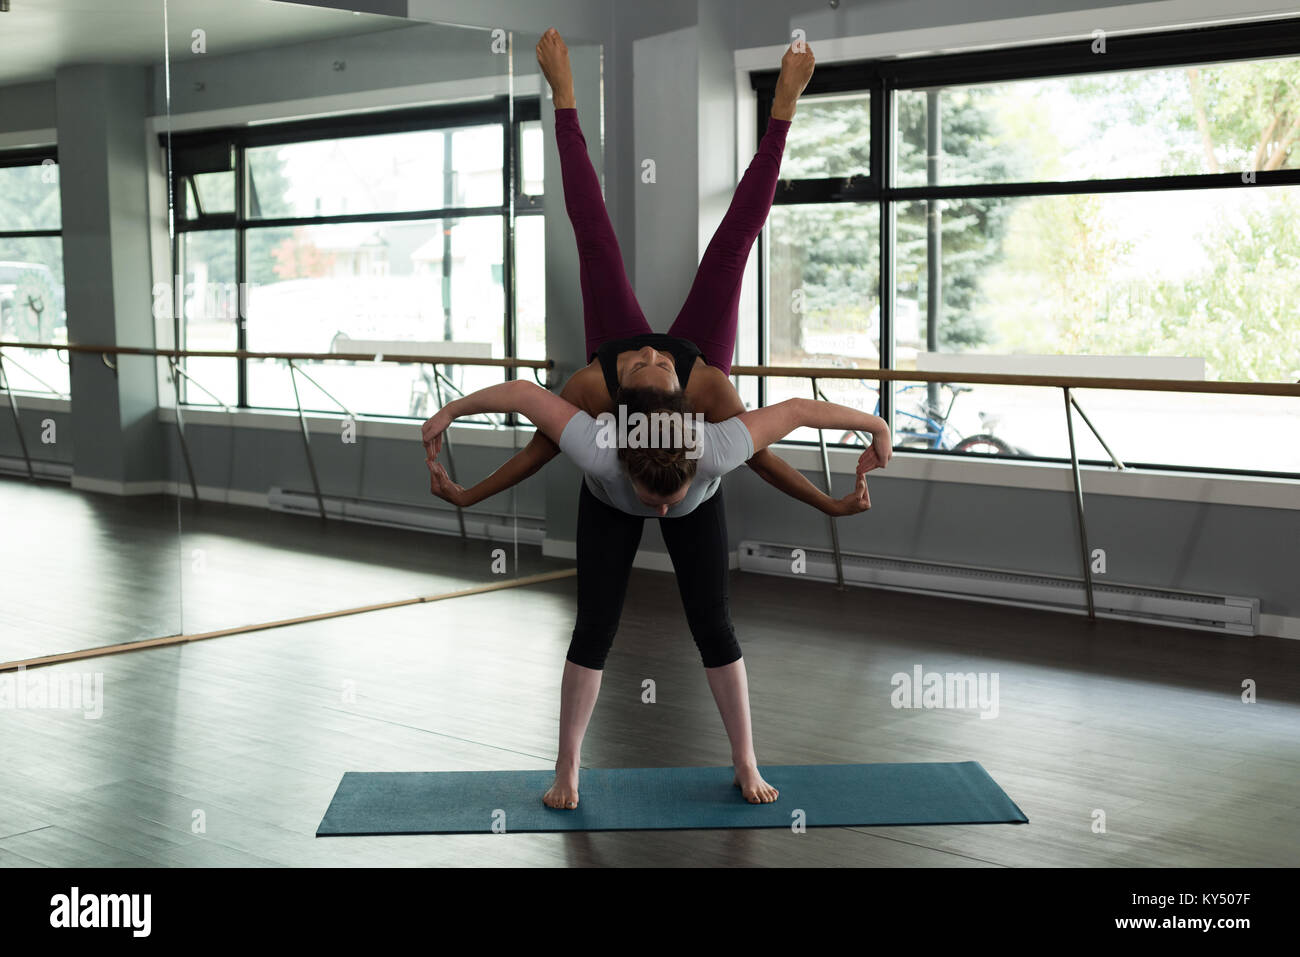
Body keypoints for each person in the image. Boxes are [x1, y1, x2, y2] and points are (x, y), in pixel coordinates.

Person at [422, 29, 892, 809]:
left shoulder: (668, 399)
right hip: (634, 482)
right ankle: (567, 766)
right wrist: (843, 476)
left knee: (714, 623)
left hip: (661, 453)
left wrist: (837, 491)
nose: (649, 354)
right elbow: (784, 430)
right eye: (644, 361)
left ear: (664, 396)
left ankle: (745, 760)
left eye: (653, 363)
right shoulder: (645, 422)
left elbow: (524, 406)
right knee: (594, 626)